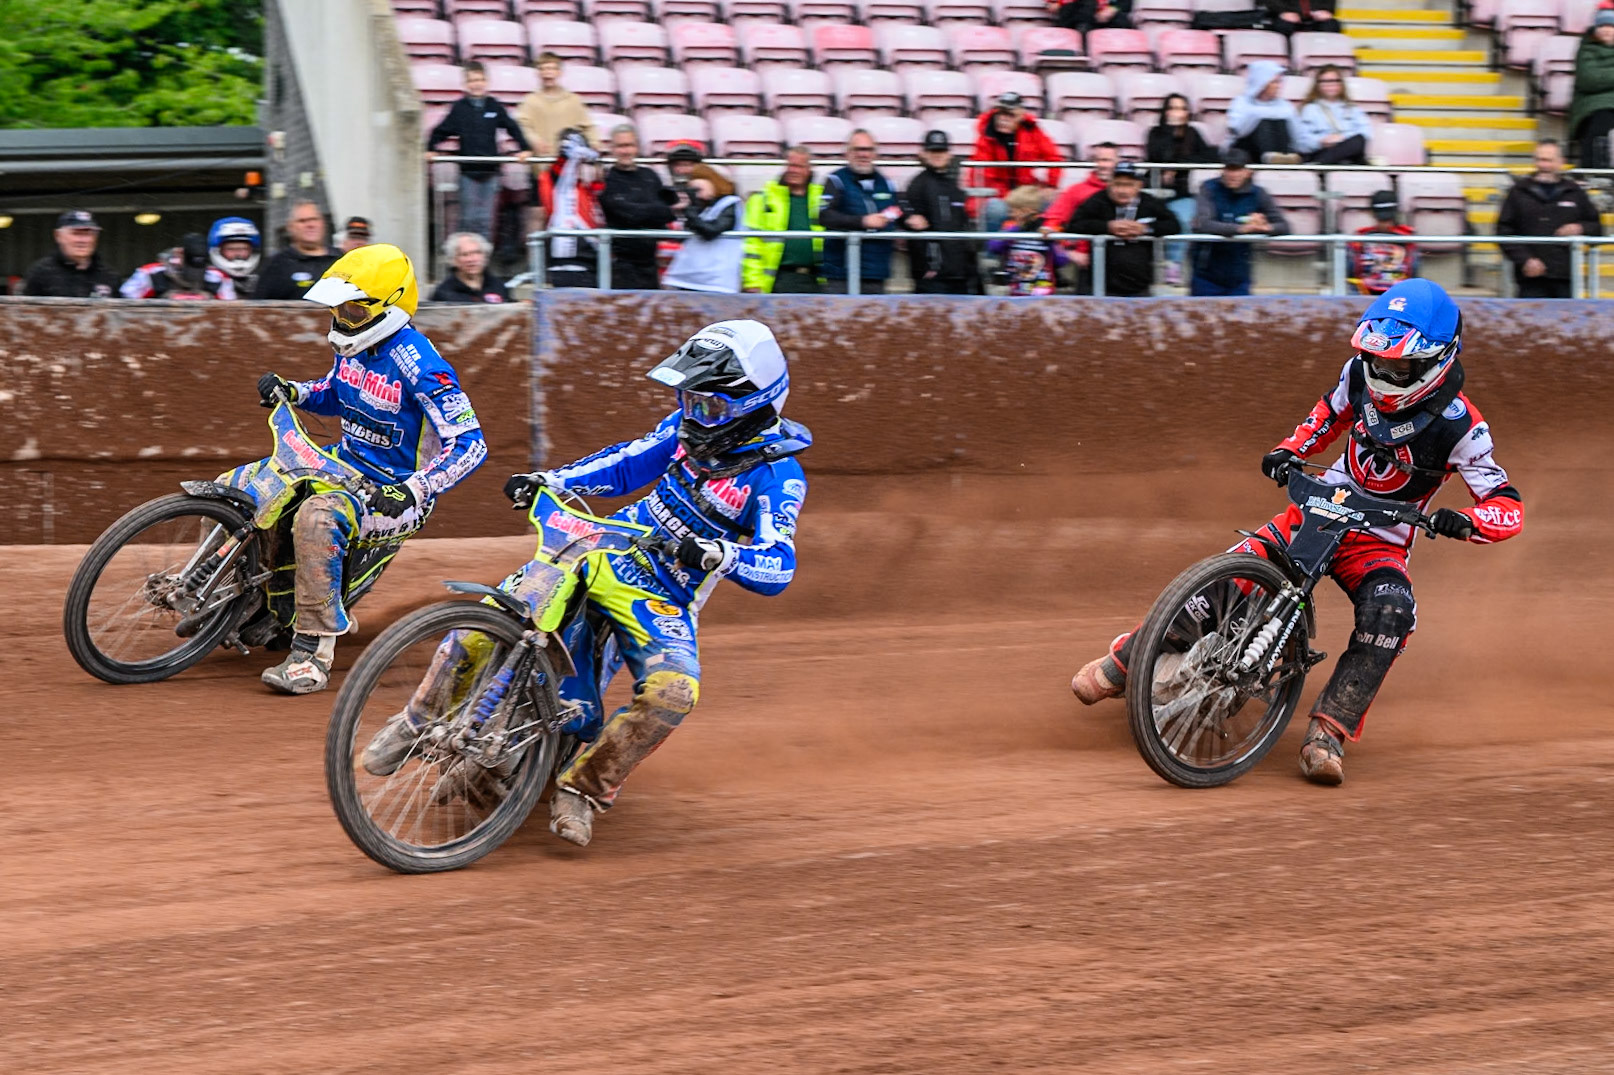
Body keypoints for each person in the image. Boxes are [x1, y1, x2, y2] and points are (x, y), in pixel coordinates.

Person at [1072, 279, 1522, 786]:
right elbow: (1328, 413)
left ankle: (1327, 733)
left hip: (1380, 540)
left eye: (1398, 367)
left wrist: (1467, 521)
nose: (1383, 374)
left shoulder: (1463, 425)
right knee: (1230, 578)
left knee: (1391, 614)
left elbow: (1506, 504)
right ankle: (1127, 661)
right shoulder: (1359, 374)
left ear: (1436, 361)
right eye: (1377, 361)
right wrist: (1290, 449)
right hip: (1321, 507)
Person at [384, 319, 808, 847]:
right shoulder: (681, 429)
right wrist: (552, 480)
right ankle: (415, 719)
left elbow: (778, 564)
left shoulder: (777, 476)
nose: (694, 414)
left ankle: (585, 788)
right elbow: (629, 463)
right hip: (603, 543)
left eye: (710, 406)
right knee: (500, 613)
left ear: (753, 404)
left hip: (664, 590)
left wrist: (715, 551)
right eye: (689, 399)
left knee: (674, 692)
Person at [234, 244, 486, 694]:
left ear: (388, 307)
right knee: (242, 483)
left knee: (316, 519)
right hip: (344, 463)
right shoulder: (357, 346)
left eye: (352, 309)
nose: (341, 319)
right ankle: (252, 604)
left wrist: (417, 488)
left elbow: (472, 444)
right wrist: (293, 391)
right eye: (337, 309)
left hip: (392, 491)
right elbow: (335, 391)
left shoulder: (423, 366)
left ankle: (312, 655)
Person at [427, 62, 531, 243]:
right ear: (466, 84)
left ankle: (482, 259)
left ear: (486, 81)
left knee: (485, 220)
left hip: (491, 171)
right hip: (468, 172)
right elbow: (441, 130)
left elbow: (512, 127)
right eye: (472, 80)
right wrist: (430, 148)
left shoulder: (494, 106)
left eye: (480, 80)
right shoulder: (459, 108)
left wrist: (525, 148)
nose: (477, 84)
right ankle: (466, 254)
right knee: (468, 219)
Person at [1495, 139, 1602, 299]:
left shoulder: (1574, 192)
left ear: (1561, 162)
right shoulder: (1518, 192)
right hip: (1530, 280)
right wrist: (1525, 260)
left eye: (1548, 160)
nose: (1543, 165)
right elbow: (1504, 231)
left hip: (1565, 278)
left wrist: (1580, 228)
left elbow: (1597, 228)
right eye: (1539, 159)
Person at [1066, 160, 1179, 296]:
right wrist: (1107, 227)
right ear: (1109, 184)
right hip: (1098, 282)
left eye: (1128, 185)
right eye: (1117, 184)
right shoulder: (1098, 200)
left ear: (1138, 186)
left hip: (1138, 284)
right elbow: (1074, 224)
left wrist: (1145, 229)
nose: (1122, 190)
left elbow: (1173, 225)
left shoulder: (1149, 202)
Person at [1189, 149, 1290, 296]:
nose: (1232, 174)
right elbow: (1203, 223)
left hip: (1240, 275)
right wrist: (1242, 229)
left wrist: (1264, 227)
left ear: (1248, 171)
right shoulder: (1208, 188)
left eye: (1237, 169)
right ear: (1222, 170)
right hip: (1206, 274)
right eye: (1229, 169)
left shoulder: (1258, 193)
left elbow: (1284, 226)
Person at [1145, 94, 1219, 286]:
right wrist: (1170, 131)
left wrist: (1178, 165)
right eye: (1174, 108)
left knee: (1183, 219)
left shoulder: (1193, 134)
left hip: (1181, 193)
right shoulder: (1156, 133)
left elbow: (1209, 157)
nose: (1179, 113)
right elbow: (1157, 156)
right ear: (1166, 112)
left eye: (1182, 108)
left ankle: (1173, 264)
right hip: (1155, 191)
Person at [819, 129, 902, 294]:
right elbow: (825, 216)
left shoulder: (886, 183)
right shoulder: (835, 180)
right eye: (858, 149)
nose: (863, 154)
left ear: (875, 153)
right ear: (847, 153)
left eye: (868, 149)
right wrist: (862, 222)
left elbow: (897, 211)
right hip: (841, 274)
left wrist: (911, 218)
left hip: (875, 273)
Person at [969, 92, 1064, 232]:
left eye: (1009, 115)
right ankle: (992, 252)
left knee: (1055, 203)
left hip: (1026, 192)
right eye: (1000, 114)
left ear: (1020, 116)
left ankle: (1044, 250)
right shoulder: (986, 137)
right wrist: (1013, 199)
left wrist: (1051, 185)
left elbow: (1054, 158)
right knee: (995, 209)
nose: (1003, 119)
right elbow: (984, 178)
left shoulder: (1032, 131)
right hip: (998, 195)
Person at [598, 124, 677, 291]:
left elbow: (666, 214)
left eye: (630, 145)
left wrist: (658, 212)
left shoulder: (649, 175)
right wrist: (658, 211)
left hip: (650, 261)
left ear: (637, 147)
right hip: (620, 262)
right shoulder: (607, 179)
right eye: (621, 146)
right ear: (612, 149)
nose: (626, 151)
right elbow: (627, 213)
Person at [903, 129, 978, 294]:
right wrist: (928, 268)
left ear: (949, 153)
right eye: (933, 150)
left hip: (960, 272)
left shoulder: (954, 186)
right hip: (934, 276)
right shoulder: (917, 184)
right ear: (924, 153)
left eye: (941, 150)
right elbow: (908, 218)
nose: (938, 155)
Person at [743, 145, 825, 294]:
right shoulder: (763, 198)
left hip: (816, 279)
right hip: (778, 279)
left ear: (809, 170)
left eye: (799, 166)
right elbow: (751, 245)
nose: (794, 170)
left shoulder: (822, 199)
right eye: (791, 165)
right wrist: (752, 281)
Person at [1043, 141, 1118, 286]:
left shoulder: (1127, 193)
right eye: (1098, 160)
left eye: (1107, 160)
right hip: (1083, 260)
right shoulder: (1075, 191)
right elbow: (1052, 223)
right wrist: (1070, 253)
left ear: (1117, 162)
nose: (1102, 165)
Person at [536, 128, 602, 288]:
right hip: (566, 264)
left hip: (595, 261)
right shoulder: (553, 181)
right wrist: (568, 153)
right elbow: (560, 171)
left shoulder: (590, 185)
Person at [663, 165, 745, 293]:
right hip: (690, 276)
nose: (696, 192)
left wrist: (689, 211)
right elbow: (684, 237)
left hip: (715, 280)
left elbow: (711, 231)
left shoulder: (730, 203)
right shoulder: (704, 208)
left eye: (698, 189)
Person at [986, 185, 1068, 296]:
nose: (1011, 214)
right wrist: (1016, 231)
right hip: (1016, 290)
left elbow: (1062, 260)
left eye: (1014, 210)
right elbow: (993, 246)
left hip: (1042, 291)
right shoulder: (1011, 229)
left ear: (1027, 211)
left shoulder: (1045, 232)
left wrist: (1051, 240)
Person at [21, 210, 121, 298]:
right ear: (58, 236)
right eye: (76, 233)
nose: (82, 240)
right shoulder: (40, 274)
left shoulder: (109, 276)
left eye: (88, 234)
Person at [515, 52, 597, 158]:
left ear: (559, 72)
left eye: (551, 68)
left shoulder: (574, 101)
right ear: (538, 73)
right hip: (540, 164)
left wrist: (594, 143)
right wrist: (534, 140)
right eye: (543, 69)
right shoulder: (529, 101)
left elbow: (587, 127)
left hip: (568, 166)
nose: (547, 72)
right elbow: (523, 126)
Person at [254, 200, 340, 300]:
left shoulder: (342, 261)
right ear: (290, 227)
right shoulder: (277, 265)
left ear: (323, 223)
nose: (310, 225)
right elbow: (258, 308)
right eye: (302, 221)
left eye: (314, 219)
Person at [1226, 60, 1304, 164]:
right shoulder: (1241, 102)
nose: (1278, 86)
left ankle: (1281, 158)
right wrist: (1258, 114)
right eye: (1274, 82)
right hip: (1247, 151)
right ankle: (1270, 157)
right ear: (1262, 83)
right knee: (1264, 122)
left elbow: (1297, 135)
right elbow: (1238, 130)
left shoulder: (1285, 105)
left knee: (1280, 122)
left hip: (1280, 148)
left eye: (1279, 82)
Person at [119, 233, 237, 299]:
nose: (194, 272)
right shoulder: (151, 274)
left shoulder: (218, 278)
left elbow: (231, 313)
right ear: (179, 253)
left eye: (199, 267)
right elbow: (124, 306)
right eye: (190, 265)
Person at [1347, 189, 1418, 295]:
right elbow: (1352, 270)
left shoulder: (1407, 236)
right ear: (1373, 214)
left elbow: (1413, 270)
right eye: (1381, 220)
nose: (1385, 224)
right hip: (1365, 291)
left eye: (1388, 219)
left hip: (1398, 293)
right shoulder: (1362, 236)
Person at [1297, 65, 1370, 166]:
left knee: (1358, 141)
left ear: (1341, 84)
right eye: (1325, 81)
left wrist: (1342, 138)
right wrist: (1321, 141)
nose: (1330, 85)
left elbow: (1365, 133)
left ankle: (1320, 164)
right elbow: (1301, 141)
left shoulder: (1352, 109)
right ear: (1318, 85)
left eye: (1335, 80)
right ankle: (1320, 163)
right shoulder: (1309, 109)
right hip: (1321, 150)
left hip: (1347, 150)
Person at [1569, 10, 1614, 170]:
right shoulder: (1587, 48)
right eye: (1602, 26)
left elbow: (1598, 77)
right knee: (1602, 121)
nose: (1607, 29)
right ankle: (1596, 173)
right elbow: (1588, 79)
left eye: (1611, 26)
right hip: (1593, 106)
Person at [430, 231, 509, 303]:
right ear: (454, 260)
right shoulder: (444, 293)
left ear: (485, 257)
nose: (472, 259)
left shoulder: (497, 285)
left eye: (477, 253)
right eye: (465, 254)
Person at [208, 216, 262, 298]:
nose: (238, 254)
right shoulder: (209, 279)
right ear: (219, 251)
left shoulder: (263, 280)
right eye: (231, 249)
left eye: (244, 249)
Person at [1048, 0, 1134, 33]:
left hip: (1104, 17)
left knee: (1121, 20)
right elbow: (1053, 6)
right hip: (1074, 17)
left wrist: (1112, 9)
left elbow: (1124, 3)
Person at [1265, 0, 1340, 36]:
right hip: (1284, 17)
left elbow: (1328, 7)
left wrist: (1325, 12)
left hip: (1313, 18)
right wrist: (1283, 12)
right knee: (1284, 26)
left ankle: (1323, 59)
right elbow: (1271, 3)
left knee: (1331, 25)